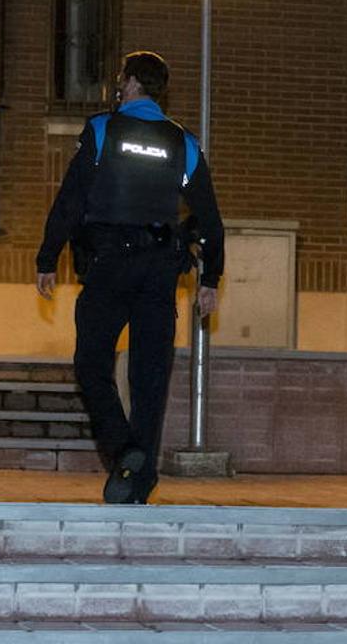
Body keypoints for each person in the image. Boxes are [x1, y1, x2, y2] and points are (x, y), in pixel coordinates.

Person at [35, 51, 224, 505]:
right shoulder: (185, 143)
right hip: (160, 272)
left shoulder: (103, 129)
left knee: (92, 365)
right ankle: (139, 483)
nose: (119, 85)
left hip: (109, 267)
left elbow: (70, 201)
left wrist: (47, 258)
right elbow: (211, 218)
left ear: (134, 82)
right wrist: (210, 279)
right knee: (150, 378)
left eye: (122, 78)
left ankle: (125, 450)